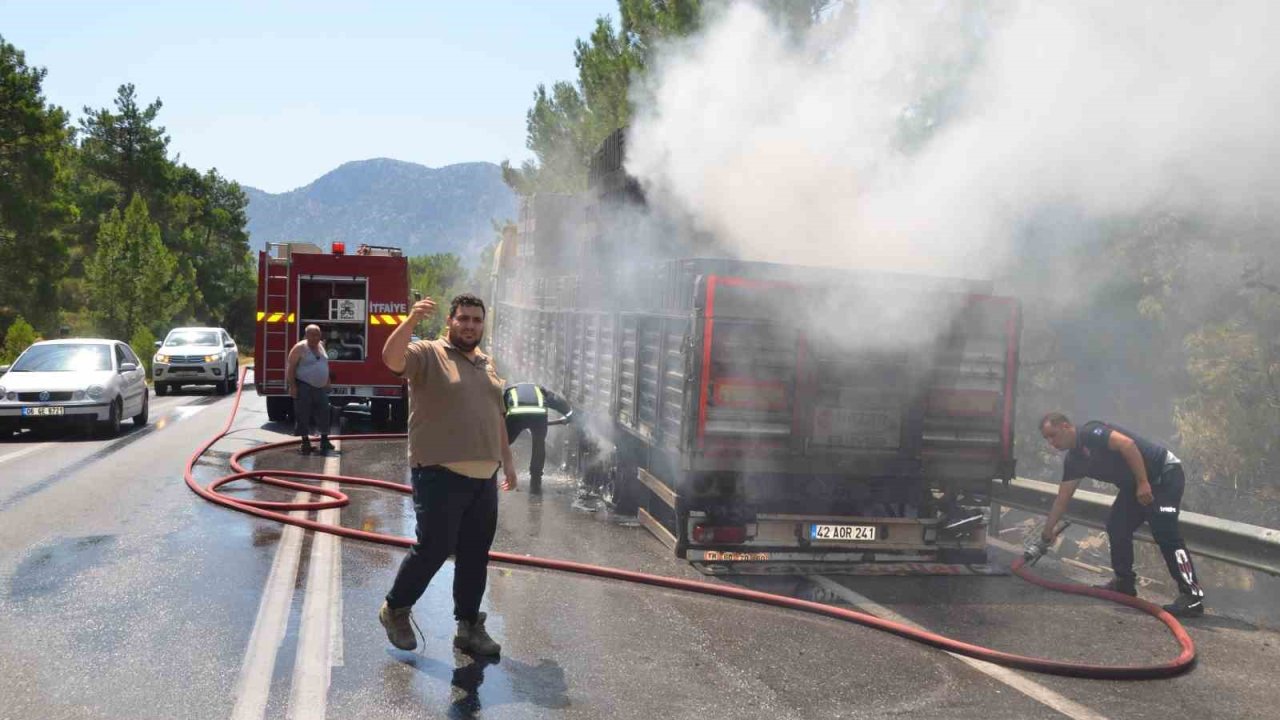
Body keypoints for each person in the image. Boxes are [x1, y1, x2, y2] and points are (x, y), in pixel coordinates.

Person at [377, 293, 518, 657]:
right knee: (434, 548)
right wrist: (409, 321)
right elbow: (391, 359)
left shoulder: (486, 363)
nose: (470, 325)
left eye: (476, 320)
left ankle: (469, 626)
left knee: (475, 554)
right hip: (439, 472)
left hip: (484, 477)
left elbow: (496, 415)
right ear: (450, 322)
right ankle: (395, 609)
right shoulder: (428, 353)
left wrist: (508, 461)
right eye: (463, 319)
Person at [1032, 412, 1206, 617]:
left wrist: (1143, 482)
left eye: (1053, 435)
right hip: (1134, 486)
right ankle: (1124, 584)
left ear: (1065, 426)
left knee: (1166, 534)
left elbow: (1127, 445)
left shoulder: (1090, 432)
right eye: (1047, 439)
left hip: (1164, 476)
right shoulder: (1074, 460)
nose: (1052, 443)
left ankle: (1192, 598)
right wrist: (1047, 531)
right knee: (1117, 526)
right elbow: (1062, 499)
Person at [503, 382, 573, 494]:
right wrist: (569, 415)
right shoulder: (541, 390)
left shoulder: (508, 391)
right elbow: (558, 402)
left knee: (503, 443)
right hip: (538, 416)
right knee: (539, 444)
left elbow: (499, 410)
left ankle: (492, 468)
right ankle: (536, 478)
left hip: (515, 416)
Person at [286, 324, 335, 456]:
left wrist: (327, 381)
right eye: (312, 335)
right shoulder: (300, 348)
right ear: (306, 335)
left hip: (320, 387)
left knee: (325, 412)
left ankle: (324, 440)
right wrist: (293, 386)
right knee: (303, 414)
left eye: (317, 334)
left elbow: (324, 364)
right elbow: (290, 368)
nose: (315, 337)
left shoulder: (321, 346)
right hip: (304, 386)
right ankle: (305, 442)